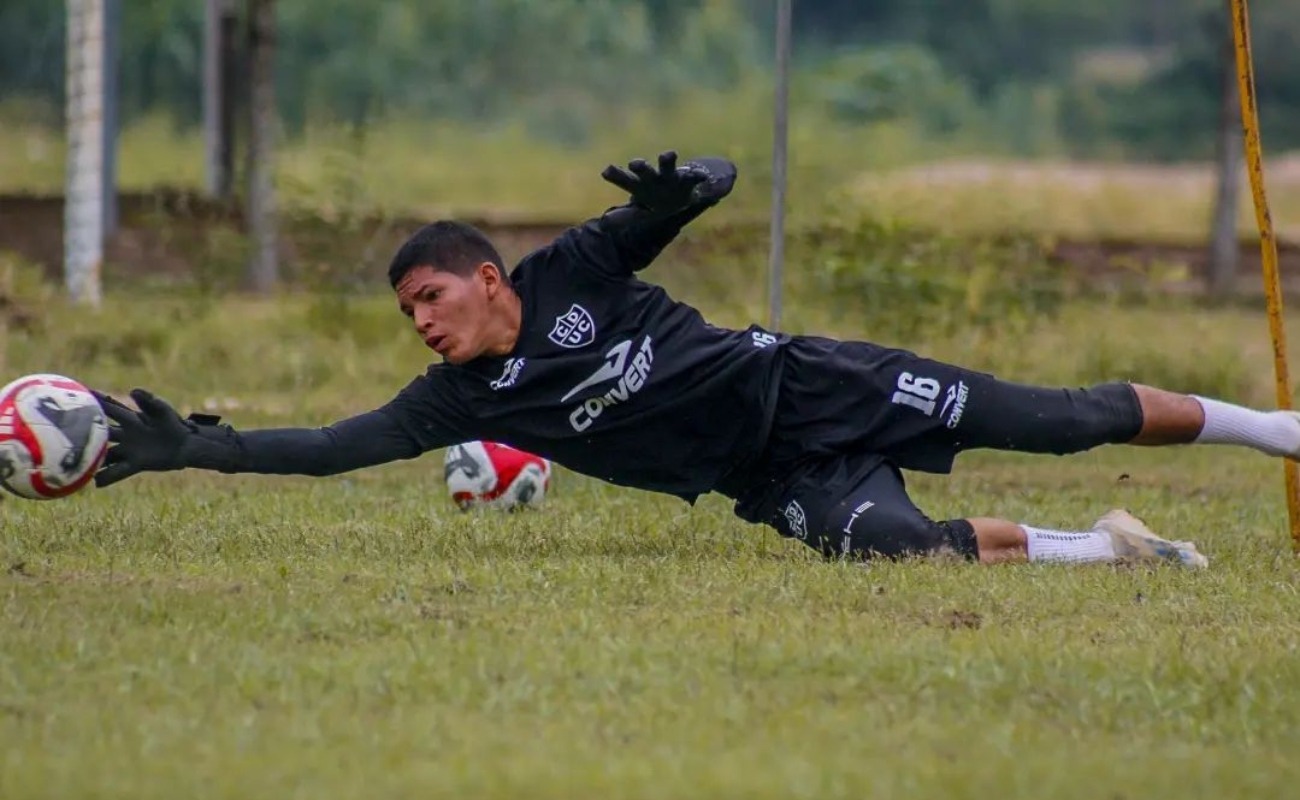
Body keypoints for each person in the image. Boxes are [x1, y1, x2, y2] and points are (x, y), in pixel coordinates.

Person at [94, 151, 1300, 568]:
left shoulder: (572, 267)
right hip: (768, 474)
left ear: (487, 277)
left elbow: (669, 207)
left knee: (1063, 417)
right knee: (894, 552)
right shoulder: (453, 395)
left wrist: (696, 185)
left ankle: (1277, 429)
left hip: (812, 380)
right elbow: (328, 447)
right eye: (407, 310)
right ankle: (1119, 549)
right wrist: (201, 446)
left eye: (429, 295)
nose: (420, 320)